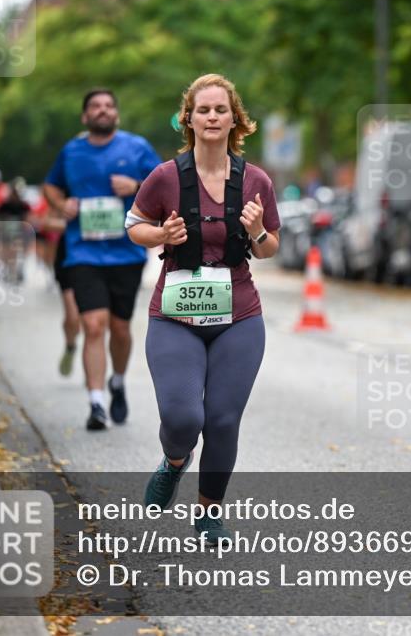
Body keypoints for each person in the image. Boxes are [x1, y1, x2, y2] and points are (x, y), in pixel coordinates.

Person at [126, 73, 280, 544]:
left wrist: (255, 231)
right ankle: (175, 462)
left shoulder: (255, 180)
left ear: (235, 118)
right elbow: (134, 223)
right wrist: (161, 236)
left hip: (239, 315)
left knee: (222, 420)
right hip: (176, 315)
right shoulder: (165, 177)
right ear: (187, 119)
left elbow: (271, 246)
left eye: (220, 109)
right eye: (202, 109)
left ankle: (209, 512)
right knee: (182, 418)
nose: (211, 117)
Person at [43, 89, 161, 430]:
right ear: (85, 117)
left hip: (126, 251)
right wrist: (60, 204)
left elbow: (166, 187)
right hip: (83, 252)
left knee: (120, 328)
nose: (102, 110)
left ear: (117, 115)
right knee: (93, 325)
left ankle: (117, 382)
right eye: (95, 106)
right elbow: (51, 186)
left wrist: (137, 184)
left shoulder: (136, 147)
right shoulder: (72, 150)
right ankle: (96, 404)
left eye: (109, 106)